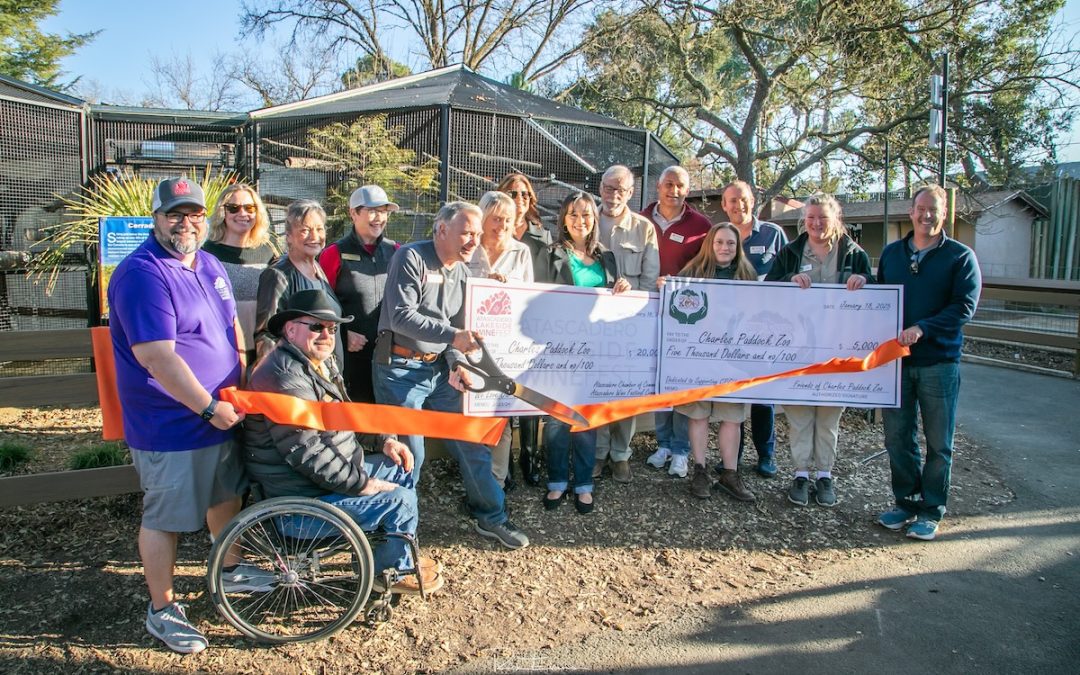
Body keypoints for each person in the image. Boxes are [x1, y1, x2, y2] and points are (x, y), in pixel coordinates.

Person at [108, 177, 257, 654]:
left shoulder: (210, 262)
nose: (185, 222)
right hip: (170, 423)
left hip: (221, 410)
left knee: (224, 493)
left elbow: (231, 324)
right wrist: (208, 406)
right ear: (156, 218)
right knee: (165, 516)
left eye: (193, 213)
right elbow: (158, 357)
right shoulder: (142, 273)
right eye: (175, 214)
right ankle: (162, 607)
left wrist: (240, 380)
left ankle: (228, 570)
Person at [243, 289, 443, 594]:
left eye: (332, 329)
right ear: (290, 329)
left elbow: (345, 415)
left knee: (400, 466)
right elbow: (307, 452)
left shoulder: (314, 363)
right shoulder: (284, 377)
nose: (327, 335)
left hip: (321, 482)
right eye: (317, 327)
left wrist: (385, 440)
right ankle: (390, 571)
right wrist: (360, 484)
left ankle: (389, 554)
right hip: (301, 504)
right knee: (400, 501)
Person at [373, 201, 530, 550]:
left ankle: (492, 517)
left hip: (439, 370)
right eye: (467, 232)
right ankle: (399, 535)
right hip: (399, 369)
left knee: (472, 443)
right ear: (441, 230)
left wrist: (457, 362)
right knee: (408, 454)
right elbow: (400, 316)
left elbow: (456, 333)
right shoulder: (411, 257)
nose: (474, 240)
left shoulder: (461, 271)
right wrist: (453, 337)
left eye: (476, 233)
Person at [876, 184, 981, 541]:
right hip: (896, 363)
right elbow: (878, 302)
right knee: (897, 437)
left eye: (933, 210)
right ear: (911, 212)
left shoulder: (960, 257)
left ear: (943, 213)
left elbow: (963, 307)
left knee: (939, 441)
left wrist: (923, 328)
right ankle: (905, 501)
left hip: (939, 362)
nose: (926, 215)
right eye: (921, 209)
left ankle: (932, 508)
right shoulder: (892, 255)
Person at [765, 194, 872, 507]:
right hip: (797, 348)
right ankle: (800, 474)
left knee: (828, 417)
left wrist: (862, 279)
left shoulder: (853, 254)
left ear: (835, 218)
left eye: (823, 218)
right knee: (798, 416)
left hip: (837, 349)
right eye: (810, 217)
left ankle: (824, 474)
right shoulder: (792, 251)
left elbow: (876, 292)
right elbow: (768, 290)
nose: (815, 223)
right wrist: (788, 279)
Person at [535, 192, 632, 514]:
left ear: (595, 219)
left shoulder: (607, 257)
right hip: (558, 350)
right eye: (574, 215)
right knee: (556, 420)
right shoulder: (550, 254)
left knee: (587, 420)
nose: (580, 221)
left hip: (595, 349)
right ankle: (558, 481)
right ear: (564, 218)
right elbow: (535, 300)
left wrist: (623, 288)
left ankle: (584, 484)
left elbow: (614, 295)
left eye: (587, 215)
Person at [668, 223, 758, 501]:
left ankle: (730, 474)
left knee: (732, 417)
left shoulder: (747, 276)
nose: (724, 248)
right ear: (710, 243)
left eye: (730, 243)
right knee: (698, 414)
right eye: (719, 242)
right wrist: (666, 288)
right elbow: (674, 307)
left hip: (732, 361)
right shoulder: (693, 273)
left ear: (737, 247)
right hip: (698, 359)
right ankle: (700, 470)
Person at [641, 166, 712, 478]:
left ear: (687, 189)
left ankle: (682, 450)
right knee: (658, 378)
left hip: (685, 316)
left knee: (680, 381)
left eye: (680, 185)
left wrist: (679, 282)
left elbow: (706, 269)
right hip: (646, 312)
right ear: (658, 187)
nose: (673, 190)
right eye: (668, 184)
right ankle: (664, 444)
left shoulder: (702, 225)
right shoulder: (640, 219)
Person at [593, 164, 660, 484]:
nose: (613, 195)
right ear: (600, 187)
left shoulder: (644, 228)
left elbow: (649, 280)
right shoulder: (584, 219)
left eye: (621, 190)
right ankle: (597, 452)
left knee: (625, 392)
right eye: (608, 188)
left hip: (630, 324)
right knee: (594, 389)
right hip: (590, 322)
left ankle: (620, 454)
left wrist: (634, 298)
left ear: (631, 193)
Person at [720, 180, 789, 478]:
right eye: (732, 201)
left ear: (754, 200)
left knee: (763, 395)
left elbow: (789, 272)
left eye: (744, 199)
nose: (739, 205)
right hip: (731, 329)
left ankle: (766, 455)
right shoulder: (722, 236)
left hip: (765, 329)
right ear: (724, 205)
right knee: (733, 396)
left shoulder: (773, 234)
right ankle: (732, 457)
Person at [468, 191, 535, 491]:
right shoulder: (468, 248)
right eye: (496, 219)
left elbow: (529, 296)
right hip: (470, 343)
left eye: (508, 220)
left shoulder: (520, 252)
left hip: (505, 347)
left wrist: (511, 289)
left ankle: (496, 479)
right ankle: (476, 477)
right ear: (483, 218)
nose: (502, 225)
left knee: (501, 414)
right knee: (472, 411)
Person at [319, 185, 401, 404]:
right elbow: (321, 304)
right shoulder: (333, 254)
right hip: (351, 354)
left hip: (388, 354)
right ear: (353, 213)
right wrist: (343, 335)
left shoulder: (396, 251)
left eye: (383, 211)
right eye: (372, 211)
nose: (379, 218)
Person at [498, 173, 551, 487]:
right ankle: (501, 465)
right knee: (501, 392)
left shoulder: (541, 237)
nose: (518, 200)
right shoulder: (489, 229)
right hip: (498, 325)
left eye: (524, 195)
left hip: (531, 325)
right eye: (512, 193)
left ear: (531, 201)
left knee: (530, 395)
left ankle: (529, 457)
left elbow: (544, 283)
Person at [253, 199, 338, 365]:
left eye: (319, 229)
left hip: (324, 371)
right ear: (289, 236)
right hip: (297, 376)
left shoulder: (317, 269)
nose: (315, 237)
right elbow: (266, 334)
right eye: (305, 230)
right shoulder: (278, 275)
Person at [202, 184, 277, 365]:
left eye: (249, 208)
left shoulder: (269, 251)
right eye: (233, 208)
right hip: (221, 346)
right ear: (223, 213)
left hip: (262, 347)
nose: (242, 214)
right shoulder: (207, 253)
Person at [498, 172, 552, 258]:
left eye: (524, 194)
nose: (520, 198)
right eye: (513, 194)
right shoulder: (494, 231)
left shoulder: (544, 236)